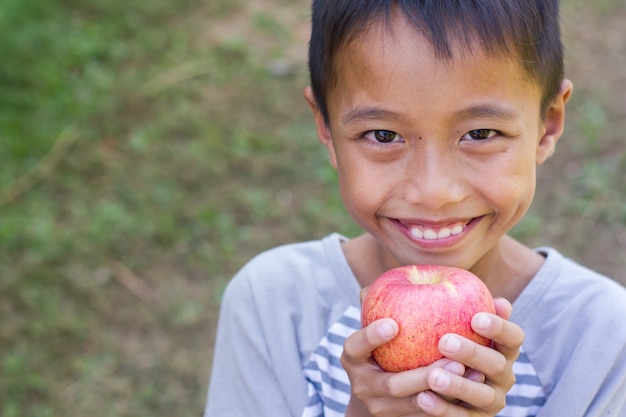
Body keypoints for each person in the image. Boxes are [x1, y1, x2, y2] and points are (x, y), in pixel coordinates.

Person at [204, 1, 626, 416]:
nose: (432, 192)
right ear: (327, 127)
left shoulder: (599, 339)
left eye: (481, 132)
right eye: (384, 136)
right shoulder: (276, 307)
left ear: (547, 125)